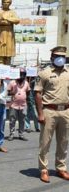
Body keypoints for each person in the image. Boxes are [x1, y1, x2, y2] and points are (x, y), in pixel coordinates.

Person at [34, 45, 69, 183]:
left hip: (66, 111)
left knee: (64, 141)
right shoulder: (44, 73)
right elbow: (37, 94)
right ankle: (43, 169)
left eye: (62, 56)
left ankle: (61, 167)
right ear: (52, 58)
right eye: (57, 56)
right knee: (45, 141)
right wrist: (40, 113)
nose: (60, 59)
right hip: (49, 110)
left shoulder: (68, 73)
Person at [7, 68, 30, 141]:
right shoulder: (12, 82)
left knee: (22, 120)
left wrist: (25, 99)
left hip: (23, 105)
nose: (21, 76)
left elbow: (28, 92)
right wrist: (12, 92)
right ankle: (11, 134)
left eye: (23, 74)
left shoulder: (26, 83)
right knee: (12, 120)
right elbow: (8, 92)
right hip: (14, 105)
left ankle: (21, 134)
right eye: (20, 74)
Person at [0, 0, 20, 65]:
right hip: (1, 34)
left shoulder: (12, 12)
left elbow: (17, 20)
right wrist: (9, 21)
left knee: (8, 56)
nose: (6, 4)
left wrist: (6, 18)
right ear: (2, 3)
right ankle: (0, 71)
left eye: (7, 2)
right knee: (0, 55)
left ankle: (7, 71)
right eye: (4, 2)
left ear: (10, 3)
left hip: (9, 35)